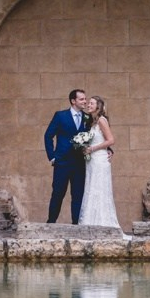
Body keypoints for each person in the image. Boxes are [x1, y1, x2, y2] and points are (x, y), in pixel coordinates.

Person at [78, 95, 122, 230]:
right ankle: (90, 221)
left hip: (100, 160)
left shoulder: (102, 120)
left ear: (98, 106)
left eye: (91, 103)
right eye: (88, 103)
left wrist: (92, 148)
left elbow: (111, 140)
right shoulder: (92, 122)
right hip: (92, 161)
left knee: (100, 189)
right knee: (92, 189)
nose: (88, 105)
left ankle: (103, 223)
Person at [44, 89, 89, 224]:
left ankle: (76, 224)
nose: (85, 101)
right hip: (62, 163)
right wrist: (52, 156)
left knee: (78, 195)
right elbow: (48, 136)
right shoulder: (60, 116)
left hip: (80, 163)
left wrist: (108, 149)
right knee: (58, 194)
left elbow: (96, 136)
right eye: (81, 99)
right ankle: (51, 223)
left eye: (85, 99)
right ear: (73, 101)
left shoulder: (88, 118)